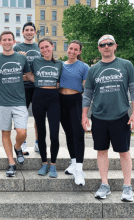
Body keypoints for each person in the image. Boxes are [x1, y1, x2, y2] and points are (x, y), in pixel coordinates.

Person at [82, 34, 134, 202]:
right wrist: (84, 115)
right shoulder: (93, 69)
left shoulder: (126, 65)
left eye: (109, 44)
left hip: (121, 116)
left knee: (124, 152)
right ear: (99, 48)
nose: (106, 46)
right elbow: (87, 95)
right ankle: (104, 185)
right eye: (102, 44)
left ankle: (127, 187)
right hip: (99, 116)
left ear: (115, 46)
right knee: (101, 151)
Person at [0, 31, 31, 177]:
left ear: (14, 41)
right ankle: (11, 163)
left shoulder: (21, 58)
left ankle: (18, 147)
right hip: (2, 102)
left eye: (9, 39)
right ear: (0, 42)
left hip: (19, 101)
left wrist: (49, 83)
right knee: (5, 132)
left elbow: (30, 75)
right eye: (4, 40)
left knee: (22, 132)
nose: (7, 42)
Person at [26, 37, 63, 178]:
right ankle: (44, 163)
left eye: (47, 47)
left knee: (54, 134)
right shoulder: (35, 62)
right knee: (41, 134)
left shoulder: (59, 64)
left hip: (54, 99)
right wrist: (38, 81)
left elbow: (62, 80)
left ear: (52, 46)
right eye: (42, 48)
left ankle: (53, 165)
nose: (45, 50)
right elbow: (28, 74)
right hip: (39, 97)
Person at [59, 40, 89, 185]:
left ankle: (79, 170)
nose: (72, 51)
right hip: (61, 101)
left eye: (75, 49)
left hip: (76, 100)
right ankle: (73, 163)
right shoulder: (60, 65)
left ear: (79, 52)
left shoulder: (84, 67)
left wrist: (86, 111)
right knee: (68, 133)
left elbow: (87, 89)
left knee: (78, 134)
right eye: (70, 48)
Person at [13, 22, 41, 155]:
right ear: (23, 32)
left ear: (34, 32)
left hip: (37, 87)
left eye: (31, 30)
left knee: (38, 117)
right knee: (22, 117)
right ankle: (22, 143)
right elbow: (14, 67)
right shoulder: (17, 47)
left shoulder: (39, 47)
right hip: (22, 88)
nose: (29, 32)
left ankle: (38, 143)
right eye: (27, 30)